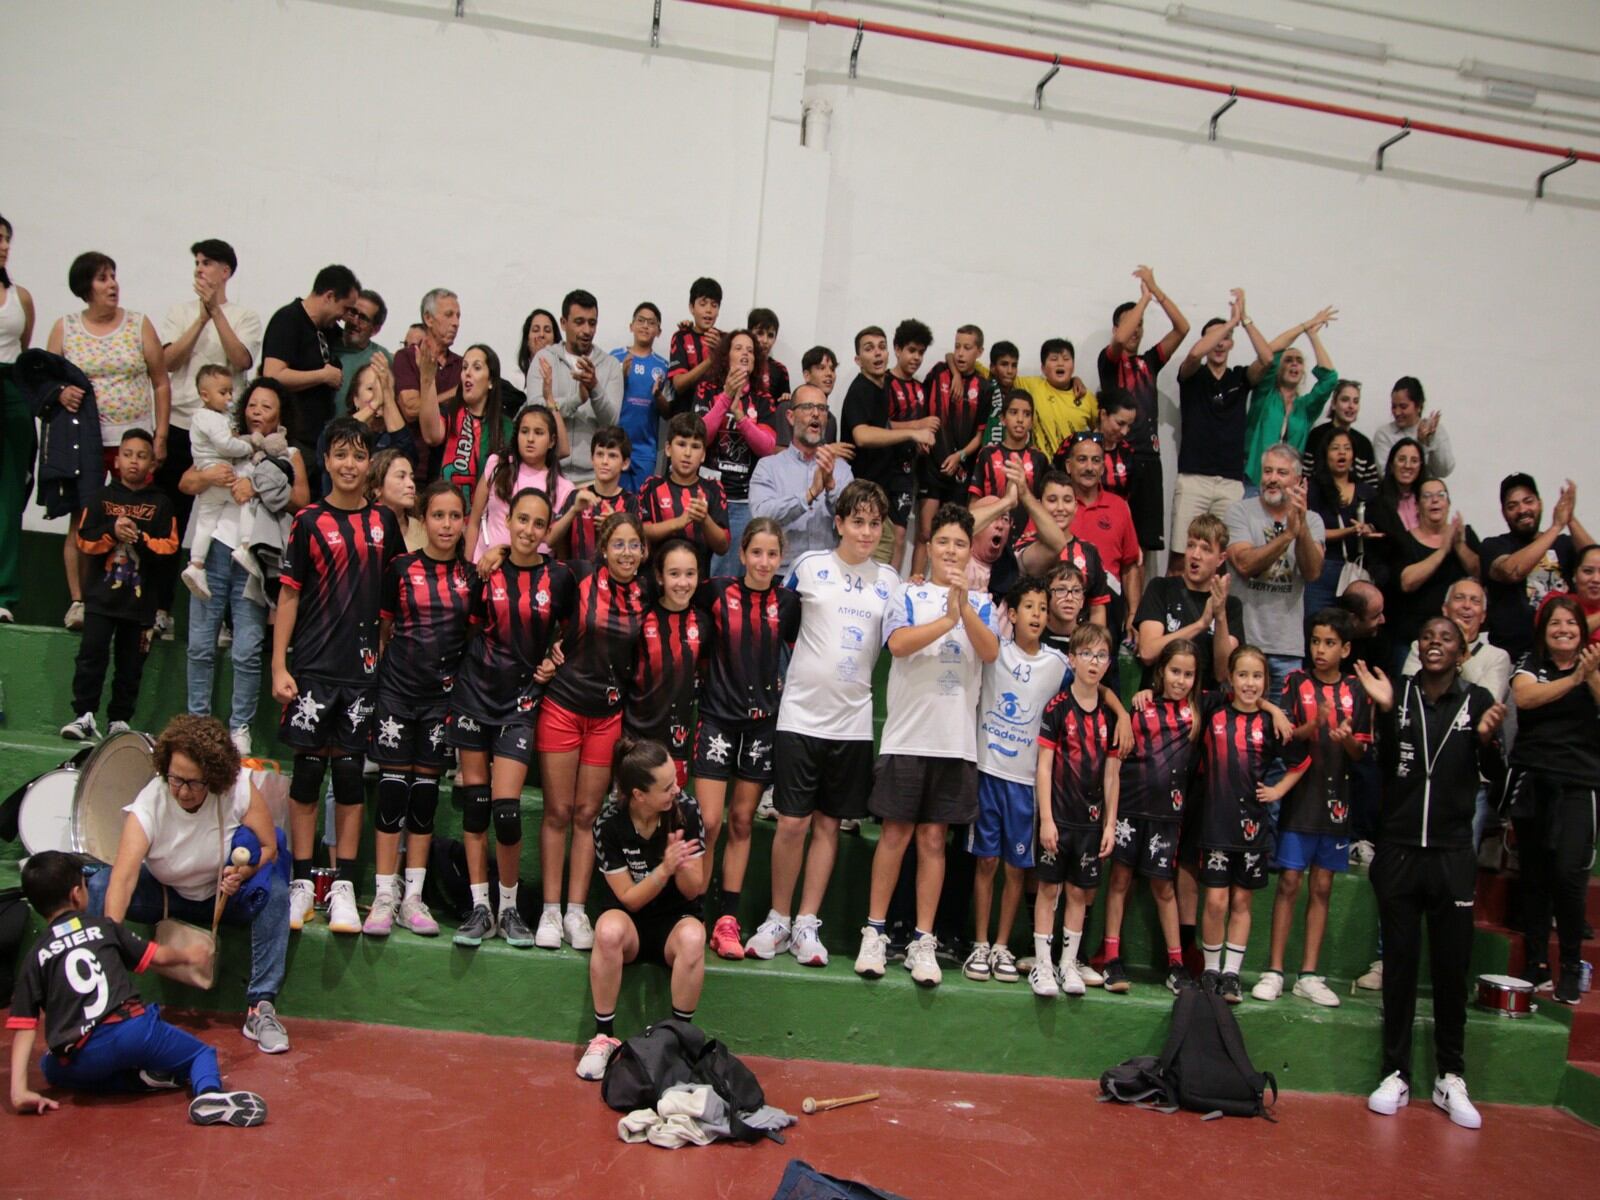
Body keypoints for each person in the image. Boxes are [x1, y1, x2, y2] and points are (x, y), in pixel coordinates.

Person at [1357, 617, 1507, 1130]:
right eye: (1427, 637)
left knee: (1449, 969)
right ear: (1418, 647)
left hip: (1450, 854)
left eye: (1446, 638)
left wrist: (1489, 743)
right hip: (1399, 852)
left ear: (1462, 652)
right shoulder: (1395, 694)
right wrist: (1379, 715)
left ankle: (1450, 1076)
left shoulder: (1480, 700)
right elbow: (1374, 761)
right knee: (1398, 966)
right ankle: (1394, 1073)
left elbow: (1500, 780)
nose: (1434, 643)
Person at [747, 482, 897, 968]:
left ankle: (808, 924)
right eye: (858, 521)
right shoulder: (810, 568)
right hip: (800, 718)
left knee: (829, 826)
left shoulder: (889, 582)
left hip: (852, 725)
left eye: (875, 523)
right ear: (839, 522)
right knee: (792, 822)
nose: (866, 531)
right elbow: (780, 630)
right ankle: (778, 917)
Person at [10, 849, 268, 1127]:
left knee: (50, 1067)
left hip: (81, 1053)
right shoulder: (104, 928)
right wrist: (190, 955)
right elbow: (157, 956)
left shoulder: (35, 956)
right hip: (134, 1031)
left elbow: (25, 1026)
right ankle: (209, 1094)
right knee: (199, 1055)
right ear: (77, 894)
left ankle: (139, 1080)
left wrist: (18, 1091)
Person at [90, 713, 294, 1060]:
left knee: (275, 893)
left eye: (193, 783)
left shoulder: (239, 788)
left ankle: (261, 1007)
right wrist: (114, 942)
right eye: (175, 779)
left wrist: (243, 875)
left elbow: (270, 849)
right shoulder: (150, 802)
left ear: (214, 778)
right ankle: (103, 995)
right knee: (100, 883)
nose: (182, 791)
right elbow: (123, 878)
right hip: (166, 895)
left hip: (224, 895)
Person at [855, 504, 999, 988]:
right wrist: (945, 617)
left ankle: (923, 939)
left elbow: (990, 651)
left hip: (955, 742)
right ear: (930, 547)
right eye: (944, 543)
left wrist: (963, 605)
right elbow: (897, 645)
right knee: (895, 835)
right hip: (907, 736)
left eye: (961, 544)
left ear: (969, 550)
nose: (952, 551)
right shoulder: (908, 593)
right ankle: (874, 933)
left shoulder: (982, 604)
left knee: (934, 841)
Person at [271, 418, 404, 934]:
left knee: (349, 777)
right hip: (310, 668)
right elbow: (288, 595)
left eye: (359, 456)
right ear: (325, 460)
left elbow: (392, 600)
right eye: (340, 455)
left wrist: (382, 653)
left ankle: (344, 886)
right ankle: (302, 883)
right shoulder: (306, 522)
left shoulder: (383, 523)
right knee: (306, 777)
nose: (350, 465)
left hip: (361, 674)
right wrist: (281, 664)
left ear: (369, 463)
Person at [446, 488, 569, 947]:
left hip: (520, 701)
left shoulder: (559, 578)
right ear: (509, 520)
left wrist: (557, 657)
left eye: (539, 524)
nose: (529, 530)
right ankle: (481, 908)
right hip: (475, 694)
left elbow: (575, 629)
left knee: (507, 812)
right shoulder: (486, 571)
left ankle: (511, 908)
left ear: (547, 529)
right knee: (476, 808)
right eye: (522, 520)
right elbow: (466, 625)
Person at [363, 480, 473, 938]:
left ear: (465, 521)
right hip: (395, 693)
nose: (446, 524)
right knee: (392, 794)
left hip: (440, 701)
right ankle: (384, 895)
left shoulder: (473, 576)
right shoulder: (401, 569)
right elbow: (383, 630)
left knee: (424, 798)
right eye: (437, 515)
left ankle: (414, 897)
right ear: (423, 519)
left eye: (454, 516)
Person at [534, 511, 648, 951]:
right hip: (563, 708)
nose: (626, 552)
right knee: (557, 813)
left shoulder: (647, 593)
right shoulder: (577, 576)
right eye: (617, 544)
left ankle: (576, 912)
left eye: (633, 545)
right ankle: (548, 910)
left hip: (607, 717)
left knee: (586, 815)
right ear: (602, 549)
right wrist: (548, 651)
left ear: (643, 551)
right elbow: (536, 594)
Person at [180, 378, 311, 755]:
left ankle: (240, 728)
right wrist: (209, 477)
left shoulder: (289, 452)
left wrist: (258, 487)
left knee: (247, 649)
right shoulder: (228, 441)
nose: (257, 412)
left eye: (267, 407)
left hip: (257, 558)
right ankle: (197, 724)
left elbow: (302, 499)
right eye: (253, 405)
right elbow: (187, 480)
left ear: (280, 414)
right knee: (201, 644)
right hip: (216, 551)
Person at [692, 519, 800, 959]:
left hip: (760, 725)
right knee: (710, 823)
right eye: (757, 552)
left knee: (741, 822)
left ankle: (726, 920)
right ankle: (693, 913)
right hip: (717, 718)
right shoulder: (716, 592)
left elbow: (797, 651)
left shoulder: (789, 602)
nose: (764, 562)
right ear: (742, 554)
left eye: (772, 554)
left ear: (781, 558)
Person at [49, 252, 173, 632]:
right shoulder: (65, 328)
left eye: (114, 276)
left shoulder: (138, 324)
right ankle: (78, 602)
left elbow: (160, 380)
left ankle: (147, 604)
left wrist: (161, 434)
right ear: (86, 287)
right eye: (103, 279)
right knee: (84, 518)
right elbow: (46, 380)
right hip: (83, 442)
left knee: (146, 519)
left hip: (133, 439)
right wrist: (59, 392)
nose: (112, 285)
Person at [1254, 608, 1371, 1007]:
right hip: (1300, 799)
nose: (1320, 650)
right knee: (1289, 883)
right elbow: (1288, 739)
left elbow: (1361, 752)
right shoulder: (1295, 681)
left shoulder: (1357, 691)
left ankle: (1309, 974)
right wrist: (1313, 725)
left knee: (1323, 886)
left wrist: (1345, 738)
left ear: (1346, 648)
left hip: (1337, 802)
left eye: (1329, 644)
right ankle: (1273, 970)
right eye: (1316, 642)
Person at [575, 738, 707, 1082]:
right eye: (666, 787)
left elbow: (697, 889)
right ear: (638, 795)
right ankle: (603, 1036)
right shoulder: (609, 823)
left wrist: (681, 866)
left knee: (694, 937)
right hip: (630, 921)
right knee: (607, 931)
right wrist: (664, 869)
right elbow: (630, 898)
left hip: (674, 923)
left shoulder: (687, 811)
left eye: (675, 780)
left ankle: (678, 1042)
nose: (676, 790)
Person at [964, 576, 1069, 985]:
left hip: (1026, 783)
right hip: (989, 774)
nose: (1038, 615)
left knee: (1014, 867)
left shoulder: (1057, 665)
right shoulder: (995, 653)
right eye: (1029, 607)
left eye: (1043, 608)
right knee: (986, 862)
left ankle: (1003, 945)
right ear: (1012, 613)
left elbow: (1090, 686)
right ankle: (979, 942)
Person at [1195, 645, 1308, 1003]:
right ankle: (1211, 968)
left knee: (1241, 900)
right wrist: (1272, 705)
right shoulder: (1214, 708)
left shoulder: (1272, 726)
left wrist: (1277, 791)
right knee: (1215, 902)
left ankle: (1232, 974)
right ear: (1230, 677)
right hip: (1214, 823)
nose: (1250, 683)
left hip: (1252, 828)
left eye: (1257, 676)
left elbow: (1301, 762)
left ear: (1266, 681)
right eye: (1242, 675)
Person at [156, 239, 261, 621]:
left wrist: (216, 313)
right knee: (172, 517)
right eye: (196, 263)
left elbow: (241, 359)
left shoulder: (244, 316)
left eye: (208, 264)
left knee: (227, 523)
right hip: (183, 425)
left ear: (226, 272)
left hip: (227, 435)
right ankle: (160, 607)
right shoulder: (179, 312)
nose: (200, 270)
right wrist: (200, 317)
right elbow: (166, 360)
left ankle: (228, 619)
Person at [1506, 597, 1600, 1005]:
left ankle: (1573, 966)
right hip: (1533, 779)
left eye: (1571, 623)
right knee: (1535, 876)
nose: (1563, 629)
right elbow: (1525, 699)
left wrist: (1589, 675)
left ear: (1583, 629)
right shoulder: (1531, 663)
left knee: (1568, 874)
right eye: (1555, 623)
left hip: (1580, 784)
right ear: (1544, 631)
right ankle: (1537, 963)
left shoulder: (1595, 666)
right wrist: (1575, 678)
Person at [60, 431, 180, 742]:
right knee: (91, 656)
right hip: (101, 599)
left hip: (140, 605)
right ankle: (84, 715)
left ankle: (119, 719)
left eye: (141, 455)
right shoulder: (100, 499)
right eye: (128, 454)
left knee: (131, 665)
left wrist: (138, 537)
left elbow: (170, 548)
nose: (134, 461)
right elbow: (84, 540)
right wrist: (113, 531)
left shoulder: (162, 503)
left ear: (152, 463)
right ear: (117, 459)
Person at [1106, 640, 1202, 994]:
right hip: (1130, 809)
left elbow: (1245, 698)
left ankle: (1176, 964)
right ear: (1161, 672)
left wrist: (1273, 707)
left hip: (1167, 818)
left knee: (1163, 887)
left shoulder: (1196, 713)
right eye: (1175, 671)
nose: (1180, 680)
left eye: (1188, 674)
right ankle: (1112, 958)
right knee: (1119, 880)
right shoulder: (1140, 705)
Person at [1031, 623, 1120, 996]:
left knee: (1079, 894)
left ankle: (1068, 965)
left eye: (1101, 655)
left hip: (1091, 823)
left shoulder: (1111, 717)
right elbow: (1045, 767)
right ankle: (1042, 965)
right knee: (1049, 889)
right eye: (1087, 654)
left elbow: (1113, 776)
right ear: (1072, 659)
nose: (1094, 662)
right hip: (1059, 820)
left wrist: (1110, 825)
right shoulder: (1057, 708)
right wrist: (1047, 820)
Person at [1400, 578, 1512, 851]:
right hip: (1420, 770)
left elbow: (1482, 704)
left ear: (1483, 616)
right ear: (1445, 608)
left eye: (1475, 602)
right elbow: (1412, 693)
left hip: (1469, 777)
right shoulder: (1420, 646)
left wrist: (1458, 652)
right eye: (1460, 598)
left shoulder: (1497, 656)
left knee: (1458, 867)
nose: (1467, 606)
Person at [1170, 290, 1273, 556]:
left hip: (1230, 482)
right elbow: (1193, 356)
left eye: (1226, 339)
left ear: (1231, 345)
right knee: (1183, 556)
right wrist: (1227, 324)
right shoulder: (1193, 376)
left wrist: (1244, 320)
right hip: (1194, 478)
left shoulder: (1239, 378)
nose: (1219, 343)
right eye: (1213, 338)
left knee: (1221, 558)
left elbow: (1267, 359)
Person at [1099, 265, 1190, 555]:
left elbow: (1182, 328)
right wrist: (1143, 301)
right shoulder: (1109, 361)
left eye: (1140, 324)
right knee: (1112, 537)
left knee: (1144, 545)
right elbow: (1119, 341)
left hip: (1149, 459)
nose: (1136, 329)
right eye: (1130, 323)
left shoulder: (1149, 361)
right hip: (1117, 458)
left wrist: (1156, 291)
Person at [1225, 443, 1325, 699]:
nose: (1272, 479)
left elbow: (1312, 572)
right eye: (1267, 471)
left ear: (1299, 481)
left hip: (1286, 648)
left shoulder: (1313, 521)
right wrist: (1287, 535)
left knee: (1284, 730)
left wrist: (1300, 529)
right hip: (1243, 643)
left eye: (1281, 473)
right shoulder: (1240, 511)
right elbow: (1245, 564)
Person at [840, 325, 933, 567]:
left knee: (888, 546)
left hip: (879, 491)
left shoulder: (880, 388)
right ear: (858, 359)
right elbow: (862, 435)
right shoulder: (860, 388)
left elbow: (885, 427)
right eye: (869, 349)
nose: (878, 354)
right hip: (862, 493)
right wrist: (912, 433)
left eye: (881, 347)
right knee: (869, 562)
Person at [1481, 474, 1592, 662]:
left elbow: (1595, 563)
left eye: (1528, 501)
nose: (1522, 510)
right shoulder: (1494, 545)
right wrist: (1556, 526)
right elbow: (1512, 571)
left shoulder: (1564, 544)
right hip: (1513, 656)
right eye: (1512, 506)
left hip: (1566, 654)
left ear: (1539, 504)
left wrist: (1570, 519)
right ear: (1504, 513)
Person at [260, 264, 360, 466]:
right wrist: (323, 376)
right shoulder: (288, 320)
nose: (345, 316)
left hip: (318, 439)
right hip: (294, 439)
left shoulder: (326, 329)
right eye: (346, 308)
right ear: (329, 296)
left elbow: (354, 342)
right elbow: (272, 375)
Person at [749, 384, 854, 575]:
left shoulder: (841, 469)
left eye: (822, 409)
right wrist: (809, 494)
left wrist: (831, 488)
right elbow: (761, 515)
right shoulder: (768, 467)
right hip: (781, 576)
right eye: (807, 407)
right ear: (790, 417)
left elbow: (851, 522)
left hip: (829, 577)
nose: (816, 414)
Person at [914, 325, 992, 579]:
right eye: (957, 346)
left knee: (954, 534)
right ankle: (915, 582)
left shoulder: (985, 387)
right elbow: (922, 409)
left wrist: (960, 456)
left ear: (979, 352)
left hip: (959, 470)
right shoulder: (939, 372)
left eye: (967, 348)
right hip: (931, 465)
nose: (960, 353)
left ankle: (946, 586)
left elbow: (981, 435)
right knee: (925, 532)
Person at [625, 539, 704, 786]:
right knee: (631, 813)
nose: (682, 582)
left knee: (670, 815)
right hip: (635, 736)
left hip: (677, 741)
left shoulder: (704, 624)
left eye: (690, 574)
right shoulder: (640, 619)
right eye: (674, 574)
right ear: (660, 577)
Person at [1381, 478, 1479, 676]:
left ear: (1448, 503)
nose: (1435, 500)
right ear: (1417, 506)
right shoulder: (1404, 539)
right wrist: (1443, 551)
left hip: (1456, 639)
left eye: (1440, 495)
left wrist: (1459, 545)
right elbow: (1407, 582)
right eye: (1427, 496)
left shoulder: (1464, 535)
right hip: (1412, 639)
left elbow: (1479, 574)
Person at [177, 365, 259, 599]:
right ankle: (245, 546)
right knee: (245, 500)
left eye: (231, 392)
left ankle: (196, 564)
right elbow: (226, 445)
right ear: (204, 395)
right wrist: (249, 445)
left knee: (205, 522)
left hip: (208, 478)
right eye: (223, 392)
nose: (229, 397)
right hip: (220, 473)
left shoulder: (208, 418)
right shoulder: (210, 418)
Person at [701, 329, 777, 574]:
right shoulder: (707, 390)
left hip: (742, 502)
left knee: (727, 577)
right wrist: (724, 399)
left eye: (750, 350)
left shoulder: (763, 399)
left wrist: (742, 418)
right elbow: (699, 436)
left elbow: (767, 447)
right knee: (695, 568)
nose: (745, 353)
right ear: (726, 356)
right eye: (738, 348)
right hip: (706, 496)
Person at [1135, 513, 1243, 688]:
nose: (1195, 555)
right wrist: (1201, 624)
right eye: (1191, 545)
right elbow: (1147, 653)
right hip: (1159, 704)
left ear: (1221, 559)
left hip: (1203, 705)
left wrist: (1220, 616)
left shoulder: (1231, 605)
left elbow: (1223, 673)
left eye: (1206, 549)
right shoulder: (1160, 588)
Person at [530, 289, 621, 485]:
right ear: (563, 323)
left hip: (592, 479)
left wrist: (594, 387)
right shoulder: (544, 358)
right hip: (548, 474)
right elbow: (535, 411)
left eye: (592, 323)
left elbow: (612, 422)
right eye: (579, 322)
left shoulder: (610, 365)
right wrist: (577, 400)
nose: (587, 330)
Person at [1240, 307, 1338, 490]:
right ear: (1279, 368)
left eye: (1299, 361)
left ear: (1302, 372)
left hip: (1289, 486)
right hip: (1256, 481)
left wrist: (1313, 337)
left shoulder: (1306, 406)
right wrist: (1305, 325)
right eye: (1288, 360)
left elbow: (1330, 379)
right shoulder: (1265, 394)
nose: (1294, 363)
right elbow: (1271, 351)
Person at [1062, 433, 1142, 646]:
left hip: (1109, 609)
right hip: (1061, 607)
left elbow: (1130, 566)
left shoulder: (1119, 507)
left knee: (1105, 677)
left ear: (1103, 468)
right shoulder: (1056, 506)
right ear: (1068, 466)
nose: (1089, 467)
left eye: (1096, 460)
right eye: (1082, 459)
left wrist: (1134, 613)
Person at [466, 404, 571, 562]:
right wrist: (468, 567)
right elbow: (474, 521)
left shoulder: (563, 488)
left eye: (538, 433)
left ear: (552, 441)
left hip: (533, 576)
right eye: (524, 431)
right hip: (483, 568)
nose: (530, 439)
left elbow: (559, 547)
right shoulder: (497, 464)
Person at [418, 342, 512, 511]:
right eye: (464, 367)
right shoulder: (450, 415)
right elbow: (431, 435)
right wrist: (427, 379)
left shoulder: (506, 426)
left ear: (491, 381)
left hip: (488, 522)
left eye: (476, 368)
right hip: (445, 517)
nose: (467, 373)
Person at [0, 212, 37, 624]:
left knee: (10, 489)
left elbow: (23, 347)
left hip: (10, 386)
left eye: (8, 238)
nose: (4, 245)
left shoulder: (20, 297)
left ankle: (4, 590)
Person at [639, 413, 730, 577]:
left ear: (703, 455)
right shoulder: (651, 486)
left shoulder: (713, 489)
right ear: (668, 449)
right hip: (655, 585)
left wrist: (705, 520)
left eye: (695, 447)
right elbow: (640, 532)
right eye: (681, 444)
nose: (687, 453)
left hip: (699, 586)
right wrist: (679, 523)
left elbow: (723, 546)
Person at [1303, 427, 1378, 616]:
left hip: (1355, 571)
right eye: (1335, 448)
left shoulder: (1367, 491)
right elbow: (1310, 532)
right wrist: (1350, 531)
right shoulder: (1312, 489)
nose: (1342, 453)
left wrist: (1369, 529)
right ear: (1325, 454)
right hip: (1322, 568)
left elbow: (1380, 527)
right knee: (1316, 623)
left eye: (1347, 448)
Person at [550, 425, 639, 563]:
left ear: (625, 463)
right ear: (592, 458)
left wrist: (615, 524)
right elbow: (550, 540)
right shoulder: (576, 496)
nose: (604, 461)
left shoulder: (631, 502)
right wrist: (573, 511)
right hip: (577, 579)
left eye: (612, 456)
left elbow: (642, 554)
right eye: (599, 454)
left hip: (614, 580)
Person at [394, 288, 463, 452]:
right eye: (449, 315)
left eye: (458, 316)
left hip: (451, 462)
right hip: (414, 461)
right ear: (428, 318)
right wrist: (455, 394)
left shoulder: (462, 364)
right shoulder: (407, 357)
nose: (456, 323)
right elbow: (410, 409)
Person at [611, 301, 668, 490]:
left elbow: (668, 411)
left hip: (646, 451)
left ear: (658, 331)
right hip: (615, 445)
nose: (645, 326)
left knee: (641, 507)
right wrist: (620, 379)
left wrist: (658, 396)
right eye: (641, 320)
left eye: (651, 323)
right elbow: (602, 398)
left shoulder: (663, 366)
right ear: (631, 326)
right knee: (613, 503)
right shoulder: (615, 358)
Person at [1016, 338, 1094, 461]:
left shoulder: (1086, 396)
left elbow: (1102, 432)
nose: (1060, 363)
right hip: (1042, 469)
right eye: (1054, 359)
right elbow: (996, 374)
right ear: (1043, 368)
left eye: (1066, 359)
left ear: (1073, 366)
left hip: (1076, 471)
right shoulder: (1033, 386)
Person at [967, 389, 1049, 505]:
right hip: (993, 522)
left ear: (1031, 422)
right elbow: (973, 505)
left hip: (1030, 523)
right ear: (1003, 419)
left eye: (1026, 414)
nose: (1020, 419)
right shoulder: (987, 454)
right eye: (1014, 412)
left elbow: (1046, 504)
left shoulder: (1039, 458)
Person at [1373, 376, 1455, 481]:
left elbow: (1444, 471)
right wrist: (1421, 445)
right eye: (1394, 406)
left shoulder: (1435, 430)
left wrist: (1431, 440)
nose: (1397, 412)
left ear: (1419, 406)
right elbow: (1386, 474)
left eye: (1403, 407)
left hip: (1427, 495)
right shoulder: (1384, 434)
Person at [1301, 380, 1379, 489]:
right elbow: (1305, 478)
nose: (1351, 406)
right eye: (1345, 400)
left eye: (1356, 401)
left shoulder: (1364, 444)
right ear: (1333, 404)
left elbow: (1372, 487)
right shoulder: (1317, 435)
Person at [1069, 389, 1138, 505]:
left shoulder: (1128, 452)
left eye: (1129, 426)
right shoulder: (1075, 443)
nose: (1125, 432)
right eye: (1120, 424)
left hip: (1114, 518)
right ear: (1103, 414)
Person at [667, 276, 724, 416]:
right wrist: (710, 360)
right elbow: (679, 385)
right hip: (685, 419)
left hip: (717, 421)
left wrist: (723, 352)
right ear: (692, 308)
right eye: (703, 304)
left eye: (714, 305)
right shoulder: (681, 337)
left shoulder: (726, 340)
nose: (709, 310)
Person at [333, 289, 389, 410]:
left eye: (363, 318)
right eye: (353, 313)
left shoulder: (381, 357)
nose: (355, 321)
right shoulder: (326, 346)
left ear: (375, 329)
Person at [1368, 438, 1428, 543]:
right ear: (1391, 465)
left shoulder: (1427, 499)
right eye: (1401, 459)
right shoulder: (1377, 502)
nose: (1407, 466)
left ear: (1421, 467)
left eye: (1414, 461)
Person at [976, 340, 1020, 446]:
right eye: (1004, 364)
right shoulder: (983, 390)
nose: (1010, 371)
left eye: (1014, 365)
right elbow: (952, 357)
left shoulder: (1019, 394)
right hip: (986, 455)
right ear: (992, 367)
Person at [748, 307, 790, 401]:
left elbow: (784, 407)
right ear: (749, 333)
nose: (765, 340)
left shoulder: (780, 370)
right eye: (760, 333)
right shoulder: (739, 362)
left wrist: (785, 400)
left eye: (770, 335)